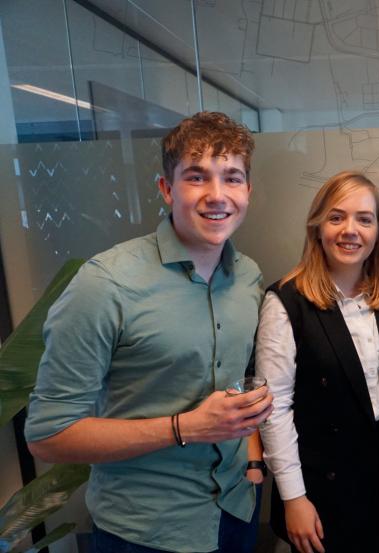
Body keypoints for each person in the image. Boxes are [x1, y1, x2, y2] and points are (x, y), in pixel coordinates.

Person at [25, 112, 272, 553]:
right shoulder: (105, 284)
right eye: (197, 177)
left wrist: (252, 454)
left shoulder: (248, 277)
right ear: (166, 189)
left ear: (248, 191)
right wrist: (186, 427)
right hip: (147, 532)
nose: (217, 195)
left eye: (232, 178)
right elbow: (48, 436)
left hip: (236, 511)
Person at [256, 171, 379, 553]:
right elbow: (274, 409)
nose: (350, 230)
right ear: (317, 227)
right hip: (323, 481)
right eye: (336, 217)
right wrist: (294, 498)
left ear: (378, 231)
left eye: (364, 219)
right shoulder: (285, 302)